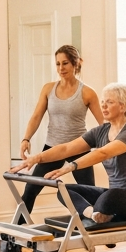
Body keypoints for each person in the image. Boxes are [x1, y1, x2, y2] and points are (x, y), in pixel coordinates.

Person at [11, 83, 126, 223]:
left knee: (109, 197)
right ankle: (92, 213)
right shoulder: (100, 131)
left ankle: (99, 210)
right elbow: (66, 148)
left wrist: (70, 166)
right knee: (64, 190)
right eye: (102, 102)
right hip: (116, 195)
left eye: (109, 102)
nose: (103, 106)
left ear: (123, 106)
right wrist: (35, 159)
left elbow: (103, 153)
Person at [17, 45, 103, 214]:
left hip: (79, 148)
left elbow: (104, 124)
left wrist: (109, 148)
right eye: (58, 64)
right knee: (30, 191)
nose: (61, 68)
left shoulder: (87, 93)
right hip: (53, 148)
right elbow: (36, 116)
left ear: (75, 64)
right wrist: (26, 138)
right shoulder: (48, 89)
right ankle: (16, 233)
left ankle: (103, 232)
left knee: (90, 192)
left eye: (65, 63)